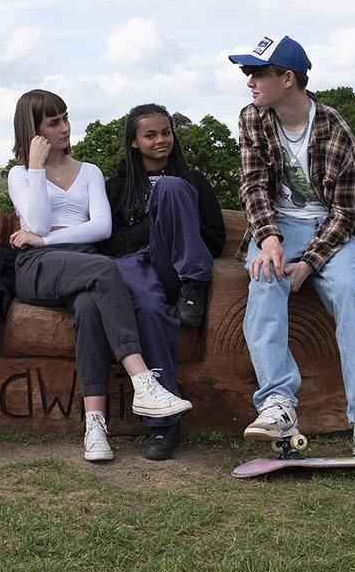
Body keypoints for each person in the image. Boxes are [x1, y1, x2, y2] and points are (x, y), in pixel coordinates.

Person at [229, 35, 355, 459]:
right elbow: (253, 185)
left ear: (287, 79)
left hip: (329, 226)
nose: (249, 82)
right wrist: (268, 239)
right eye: (247, 73)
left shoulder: (336, 131)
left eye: (257, 72)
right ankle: (277, 404)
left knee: (351, 290)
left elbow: (347, 213)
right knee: (264, 276)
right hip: (277, 222)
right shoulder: (253, 118)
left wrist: (308, 264)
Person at [7, 89, 192, 462]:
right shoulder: (19, 174)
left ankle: (95, 426)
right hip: (39, 266)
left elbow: (101, 228)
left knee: (91, 308)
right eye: (53, 122)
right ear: (34, 130)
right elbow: (37, 219)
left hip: (84, 267)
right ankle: (144, 382)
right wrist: (36, 168)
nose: (65, 128)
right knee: (107, 269)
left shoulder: (89, 172)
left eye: (65, 118)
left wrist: (45, 236)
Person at [103, 104, 225, 460]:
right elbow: (111, 243)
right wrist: (154, 222)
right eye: (150, 135)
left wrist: (173, 221)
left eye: (166, 132)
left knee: (171, 188)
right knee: (149, 310)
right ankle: (164, 423)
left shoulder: (191, 181)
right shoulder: (117, 186)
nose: (161, 140)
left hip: (175, 266)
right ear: (134, 142)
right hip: (133, 266)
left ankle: (194, 284)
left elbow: (215, 239)